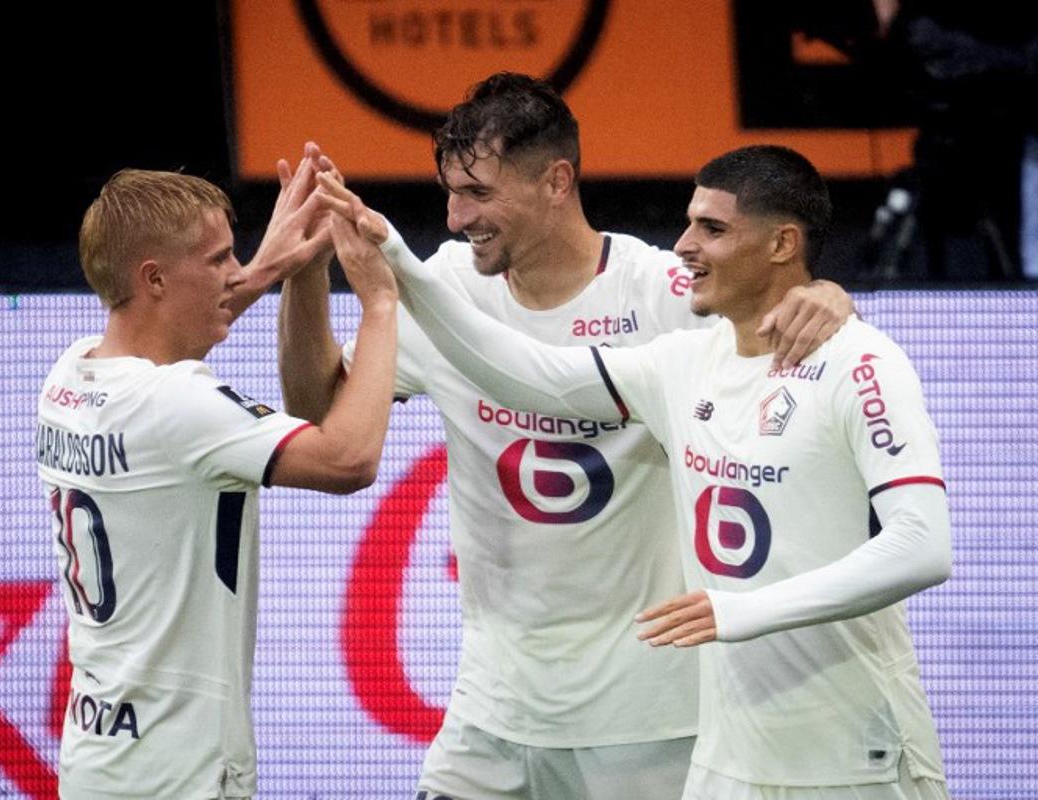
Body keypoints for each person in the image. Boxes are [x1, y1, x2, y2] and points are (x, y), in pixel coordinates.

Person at [278, 73, 854, 800]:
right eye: (450, 193)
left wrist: (826, 297)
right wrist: (305, 276)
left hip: (645, 714)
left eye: (480, 195)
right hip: (492, 708)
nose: (456, 219)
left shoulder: (658, 292)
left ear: (557, 181)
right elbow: (318, 409)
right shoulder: (448, 284)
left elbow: (791, 331)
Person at [37, 152, 398, 799]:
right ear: (153, 278)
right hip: (182, 769)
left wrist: (282, 267)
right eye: (219, 261)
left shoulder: (69, 377)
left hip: (98, 760)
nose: (235, 275)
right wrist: (379, 304)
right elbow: (349, 459)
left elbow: (174, 338)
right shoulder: (178, 404)